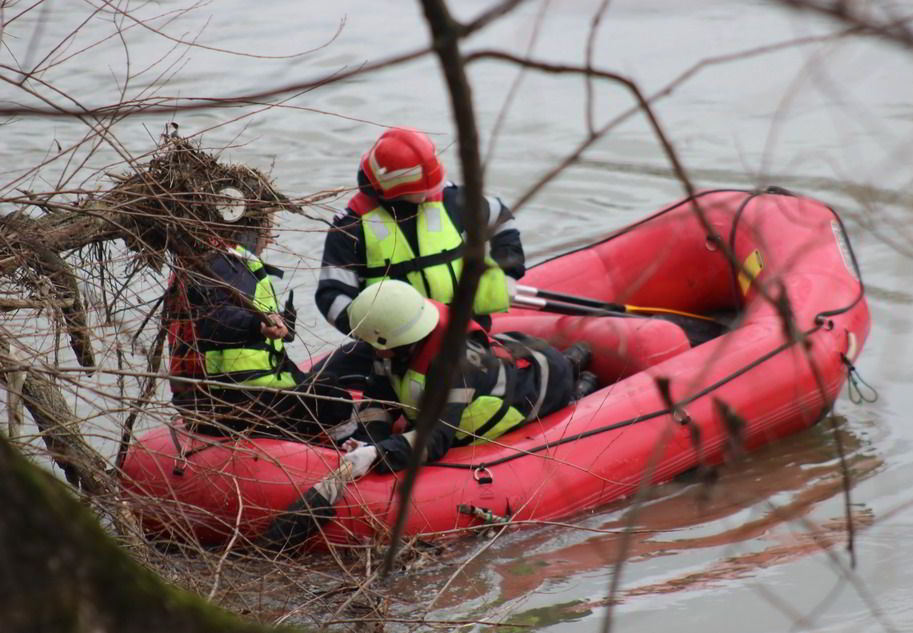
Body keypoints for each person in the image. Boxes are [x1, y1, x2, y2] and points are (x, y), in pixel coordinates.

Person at [314, 127, 526, 386]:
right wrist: (373, 336)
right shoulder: (351, 228)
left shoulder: (449, 199)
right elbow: (331, 297)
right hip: (396, 350)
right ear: (394, 190)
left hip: (467, 334)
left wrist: (509, 271)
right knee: (319, 383)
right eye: (422, 190)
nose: (430, 194)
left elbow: (501, 218)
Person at [335, 280, 599, 478]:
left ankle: (582, 380)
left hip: (539, 387)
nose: (369, 348)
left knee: (567, 383)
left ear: (394, 338)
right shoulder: (397, 346)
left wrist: (379, 454)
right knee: (558, 363)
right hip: (516, 356)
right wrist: (369, 439)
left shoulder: (450, 366)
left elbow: (436, 439)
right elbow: (377, 399)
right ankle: (575, 360)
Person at [165, 207, 352, 437]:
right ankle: (340, 454)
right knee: (333, 394)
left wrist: (274, 325)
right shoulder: (228, 264)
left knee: (315, 382)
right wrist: (258, 325)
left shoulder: (201, 260)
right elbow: (213, 319)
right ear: (250, 230)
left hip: (199, 406)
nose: (270, 240)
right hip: (232, 404)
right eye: (268, 230)